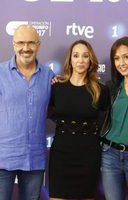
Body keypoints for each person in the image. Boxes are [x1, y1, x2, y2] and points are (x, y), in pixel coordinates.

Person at [0, 24, 54, 200]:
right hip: (1, 159)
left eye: (31, 43)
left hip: (34, 160)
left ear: (38, 45)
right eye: (20, 43)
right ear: (13, 45)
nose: (26, 48)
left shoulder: (49, 75)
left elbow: (55, 110)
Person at [48, 40, 110, 200]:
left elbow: (108, 121)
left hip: (88, 156)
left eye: (85, 56)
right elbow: (49, 113)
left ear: (90, 61)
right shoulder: (57, 87)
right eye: (76, 56)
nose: (80, 60)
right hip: (61, 156)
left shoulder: (100, 90)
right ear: (70, 60)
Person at [100, 36, 128, 200]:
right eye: (116, 58)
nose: (121, 63)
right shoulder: (111, 87)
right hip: (110, 154)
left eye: (126, 57)